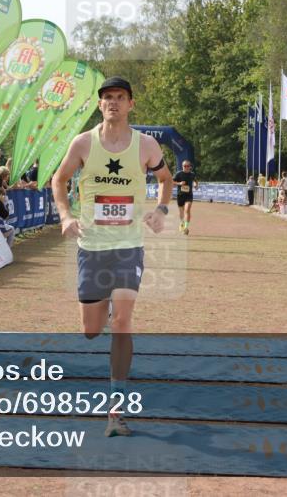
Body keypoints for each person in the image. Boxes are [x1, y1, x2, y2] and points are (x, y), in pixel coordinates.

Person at [52, 76, 173, 438]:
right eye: (107, 98)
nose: (114, 103)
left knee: (122, 323)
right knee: (91, 331)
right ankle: (100, 310)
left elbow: (167, 179)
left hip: (128, 246)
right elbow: (59, 181)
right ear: (100, 105)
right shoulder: (84, 143)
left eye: (120, 97)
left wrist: (161, 211)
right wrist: (66, 216)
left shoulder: (146, 145)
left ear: (131, 104)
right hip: (92, 246)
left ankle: (115, 410)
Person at [173, 160, 198, 235]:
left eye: (188, 166)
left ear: (190, 167)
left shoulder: (192, 174)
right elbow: (172, 182)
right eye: (184, 166)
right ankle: (182, 223)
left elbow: (195, 181)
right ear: (182, 166)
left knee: (187, 210)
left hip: (189, 195)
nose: (186, 167)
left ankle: (186, 228)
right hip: (180, 195)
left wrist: (195, 185)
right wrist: (179, 183)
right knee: (181, 212)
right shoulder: (179, 174)